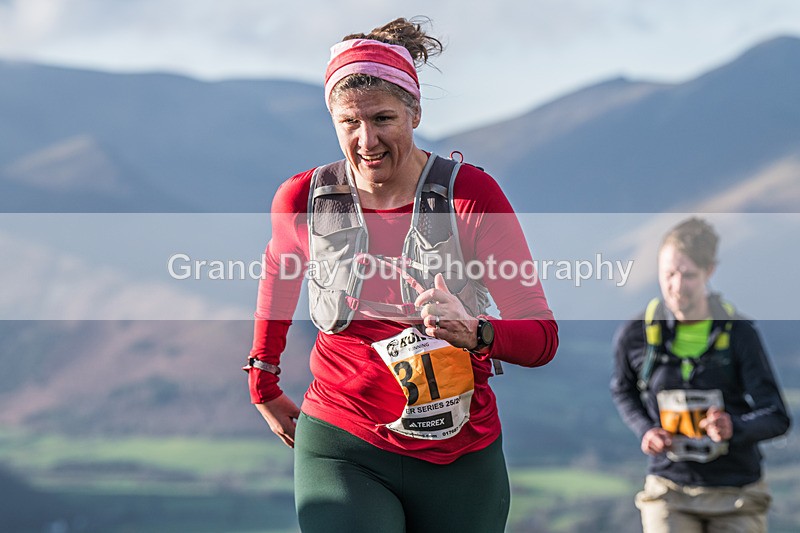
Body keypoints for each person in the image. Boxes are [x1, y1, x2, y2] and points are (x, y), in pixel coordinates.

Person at [243, 17, 558, 533]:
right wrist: (262, 378)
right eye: (348, 122)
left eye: (383, 118)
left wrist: (476, 333)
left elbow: (542, 338)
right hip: (343, 442)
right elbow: (279, 271)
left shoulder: (472, 198)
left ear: (416, 111)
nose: (366, 140)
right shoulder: (303, 200)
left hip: (461, 454)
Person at [610, 217, 791, 533]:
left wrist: (733, 426)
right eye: (669, 274)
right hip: (669, 490)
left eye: (689, 275)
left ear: (710, 272)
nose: (677, 286)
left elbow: (777, 416)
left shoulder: (740, 335)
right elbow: (623, 390)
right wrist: (647, 430)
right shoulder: (635, 335)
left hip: (737, 496)